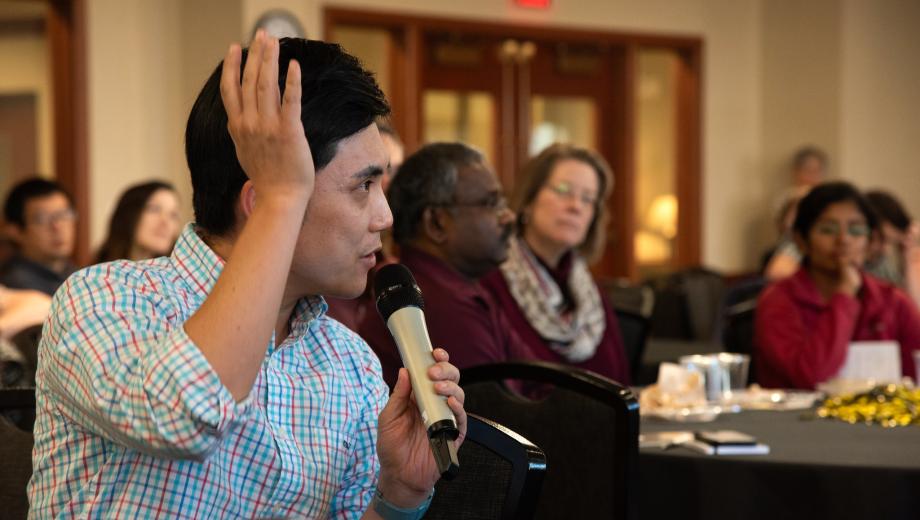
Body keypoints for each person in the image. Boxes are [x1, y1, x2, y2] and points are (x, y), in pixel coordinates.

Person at [29, 34, 466, 518]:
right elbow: (184, 418)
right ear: (261, 200)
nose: (384, 216)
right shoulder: (105, 299)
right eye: (363, 185)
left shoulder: (350, 365)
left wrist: (398, 495)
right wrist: (283, 201)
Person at [358, 142, 529, 387]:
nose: (509, 217)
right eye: (492, 204)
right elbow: (494, 414)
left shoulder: (467, 286)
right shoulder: (435, 303)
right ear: (437, 223)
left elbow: (539, 384)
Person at [481, 143, 630, 384]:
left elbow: (622, 382)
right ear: (528, 200)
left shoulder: (592, 295)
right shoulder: (491, 283)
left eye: (588, 199)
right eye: (563, 190)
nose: (575, 206)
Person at [755, 182, 920, 390]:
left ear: (870, 242)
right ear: (801, 240)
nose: (844, 239)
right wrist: (844, 296)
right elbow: (810, 376)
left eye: (856, 230)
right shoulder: (779, 301)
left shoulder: (893, 301)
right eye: (828, 229)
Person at [0, 178, 76, 296]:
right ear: (15, 231)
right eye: (42, 219)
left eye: (63, 215)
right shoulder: (15, 286)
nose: (57, 227)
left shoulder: (78, 274)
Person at [95, 180, 182, 263]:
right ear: (129, 214)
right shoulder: (93, 275)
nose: (166, 222)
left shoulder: (183, 276)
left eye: (173, 215)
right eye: (155, 209)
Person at [864, 190, 920, 308]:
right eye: (882, 239)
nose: (886, 250)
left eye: (891, 243)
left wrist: (906, 256)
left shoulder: (880, 264)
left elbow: (911, 312)